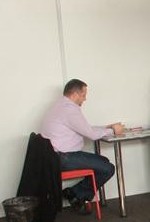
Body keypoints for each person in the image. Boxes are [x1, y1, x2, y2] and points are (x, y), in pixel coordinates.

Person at [40, 79, 123, 214]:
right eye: (84, 95)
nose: (85, 99)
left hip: (56, 156)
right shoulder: (70, 110)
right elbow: (91, 134)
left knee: (103, 162)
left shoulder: (60, 106)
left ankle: (74, 193)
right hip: (64, 157)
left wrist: (107, 128)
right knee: (108, 168)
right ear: (75, 94)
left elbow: (85, 128)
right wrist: (113, 130)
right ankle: (76, 194)